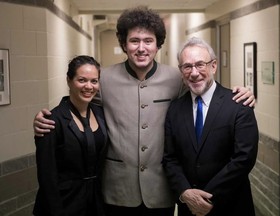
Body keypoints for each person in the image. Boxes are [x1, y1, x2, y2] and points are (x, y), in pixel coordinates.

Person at [33, 7, 256, 216]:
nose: (141, 48)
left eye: (148, 41)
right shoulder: (106, 79)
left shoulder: (176, 79)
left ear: (158, 44)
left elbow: (205, 90)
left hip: (161, 190)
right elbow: (81, 96)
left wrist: (242, 92)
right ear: (123, 44)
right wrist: (53, 116)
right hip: (117, 190)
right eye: (134, 41)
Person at [162, 37, 259, 216]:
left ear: (213, 66)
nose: (194, 72)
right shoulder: (175, 109)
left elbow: (244, 159)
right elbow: (170, 158)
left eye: (200, 64)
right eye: (187, 66)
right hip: (188, 208)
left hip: (231, 206)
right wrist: (185, 193)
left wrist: (206, 198)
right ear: (181, 71)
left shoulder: (238, 104)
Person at [33, 55, 108, 216]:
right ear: (69, 81)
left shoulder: (100, 114)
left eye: (94, 81)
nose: (89, 86)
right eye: (82, 80)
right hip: (64, 203)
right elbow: (47, 176)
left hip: (95, 201)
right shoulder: (51, 120)